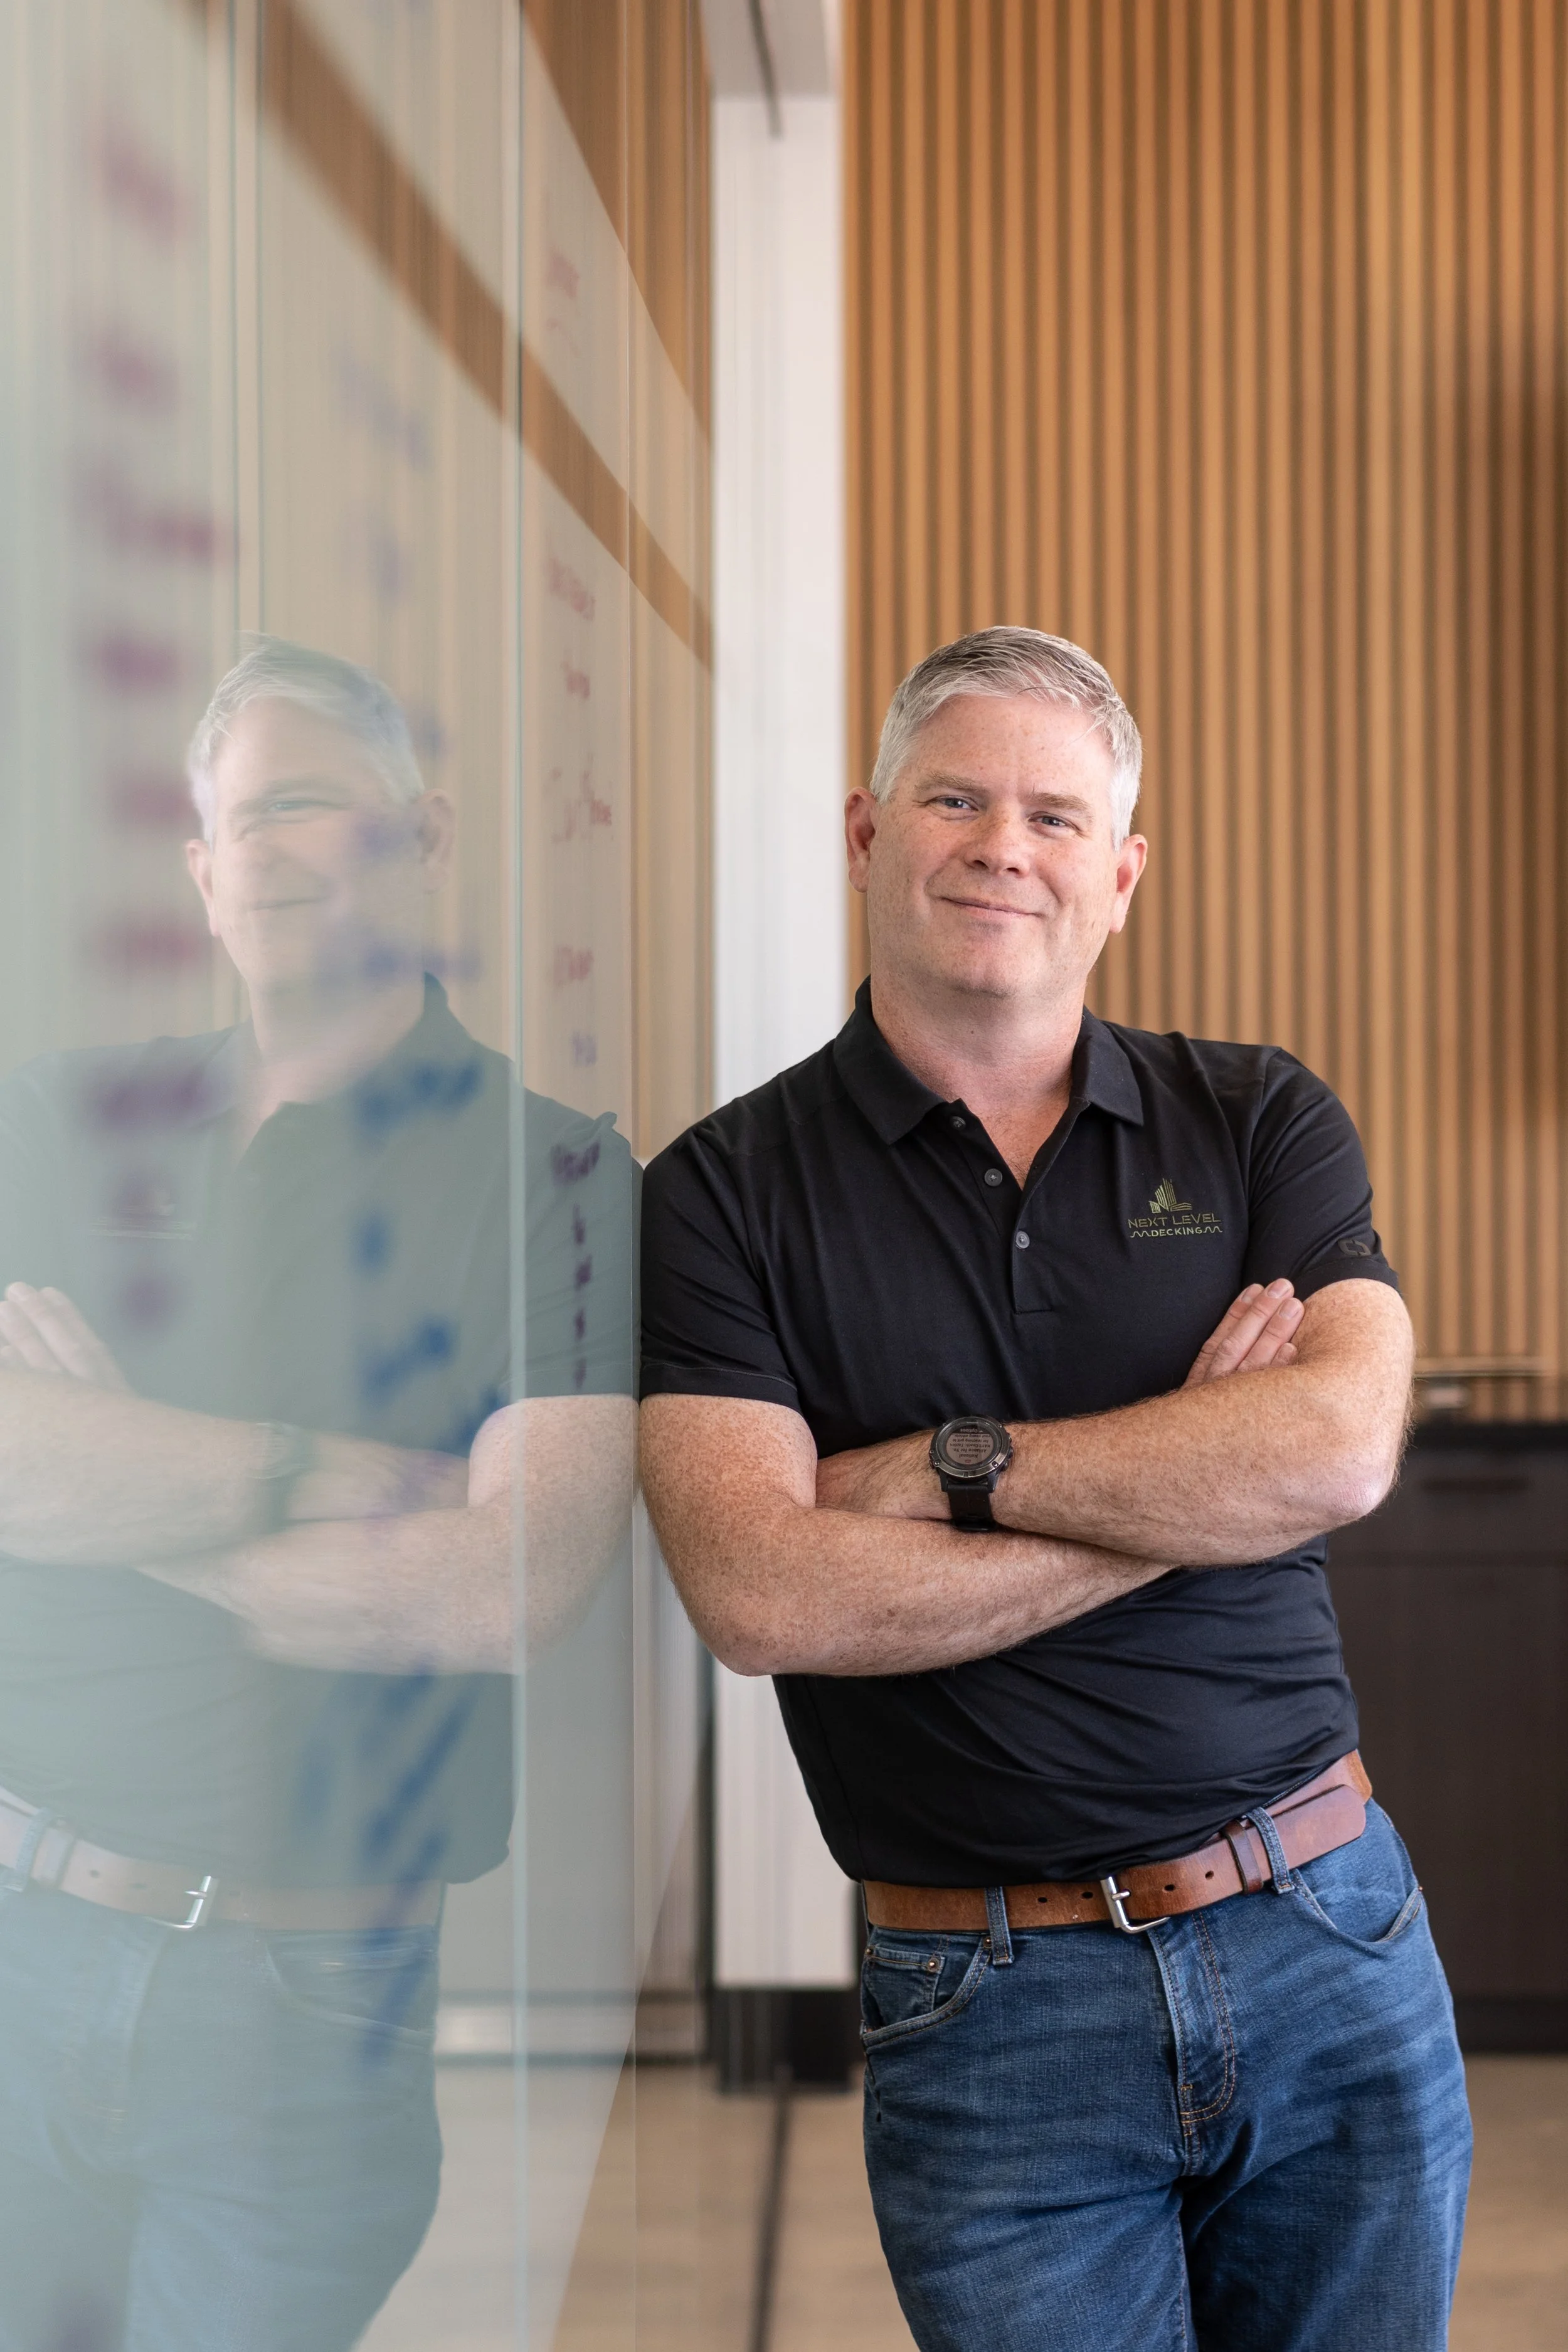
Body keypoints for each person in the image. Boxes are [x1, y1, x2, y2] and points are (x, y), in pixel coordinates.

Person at [640, 627, 1470, 2352]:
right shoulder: (718, 1194)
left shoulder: (1255, 1119)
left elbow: (1333, 1446)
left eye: (1052, 812)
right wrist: (1182, 1473)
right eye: (954, 796)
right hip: (986, 2001)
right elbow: (761, 1594)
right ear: (868, 833)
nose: (1000, 845)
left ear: (1121, 871)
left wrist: (952, 1471)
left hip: (1327, 1931)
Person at [0, 640, 634, 2352]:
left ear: (417, 833)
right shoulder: (62, 1120)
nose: (263, 850)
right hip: (20, 1935)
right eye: (228, 822)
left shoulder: (559, 1172)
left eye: (305, 802)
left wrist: (121, 1464)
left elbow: (500, 1590)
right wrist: (319, 1480)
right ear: (196, 875)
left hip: (306, 1990)